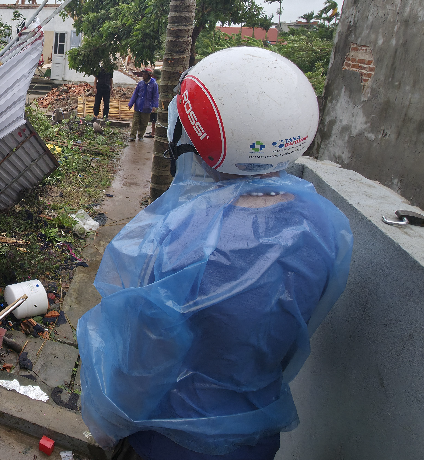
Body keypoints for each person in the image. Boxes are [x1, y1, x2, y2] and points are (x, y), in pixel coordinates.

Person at [77, 47, 352, 460]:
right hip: (254, 436)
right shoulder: (325, 225)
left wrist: (108, 423)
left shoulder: (180, 238)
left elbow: (141, 370)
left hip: (167, 442)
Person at [127, 69, 158, 142]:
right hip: (138, 106)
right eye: (143, 74)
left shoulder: (154, 84)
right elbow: (135, 94)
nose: (143, 76)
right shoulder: (140, 84)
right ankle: (132, 136)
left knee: (144, 123)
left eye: (144, 74)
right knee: (135, 121)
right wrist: (131, 103)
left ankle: (140, 135)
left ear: (149, 75)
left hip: (147, 107)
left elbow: (155, 96)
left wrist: (154, 106)